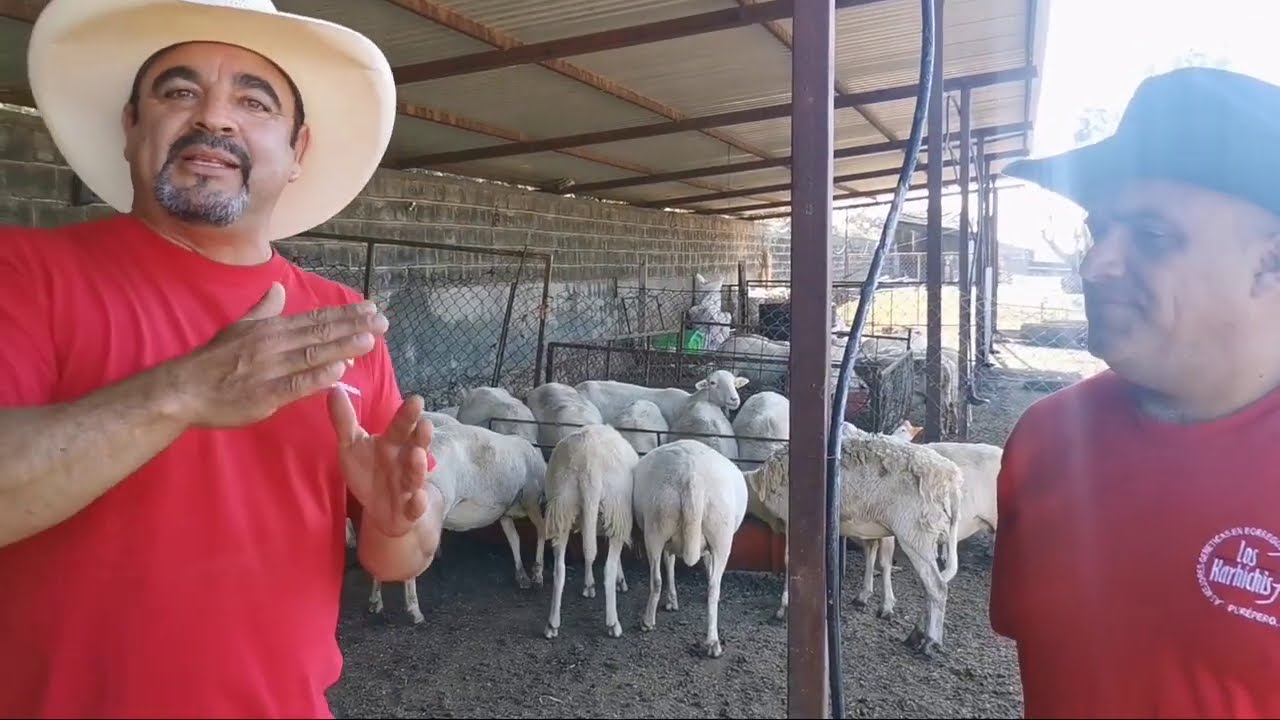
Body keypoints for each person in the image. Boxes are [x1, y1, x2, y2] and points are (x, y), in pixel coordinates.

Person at [0, 1, 446, 717]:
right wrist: (183, 392)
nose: (215, 119)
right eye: (178, 93)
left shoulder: (341, 321)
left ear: (299, 149)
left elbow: (399, 561)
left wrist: (403, 521)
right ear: (131, 129)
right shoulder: (24, 273)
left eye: (252, 100)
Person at [991, 66, 1280, 718]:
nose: (1096, 266)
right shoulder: (1046, 439)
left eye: (1151, 236)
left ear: (1270, 262)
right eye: (1100, 231)